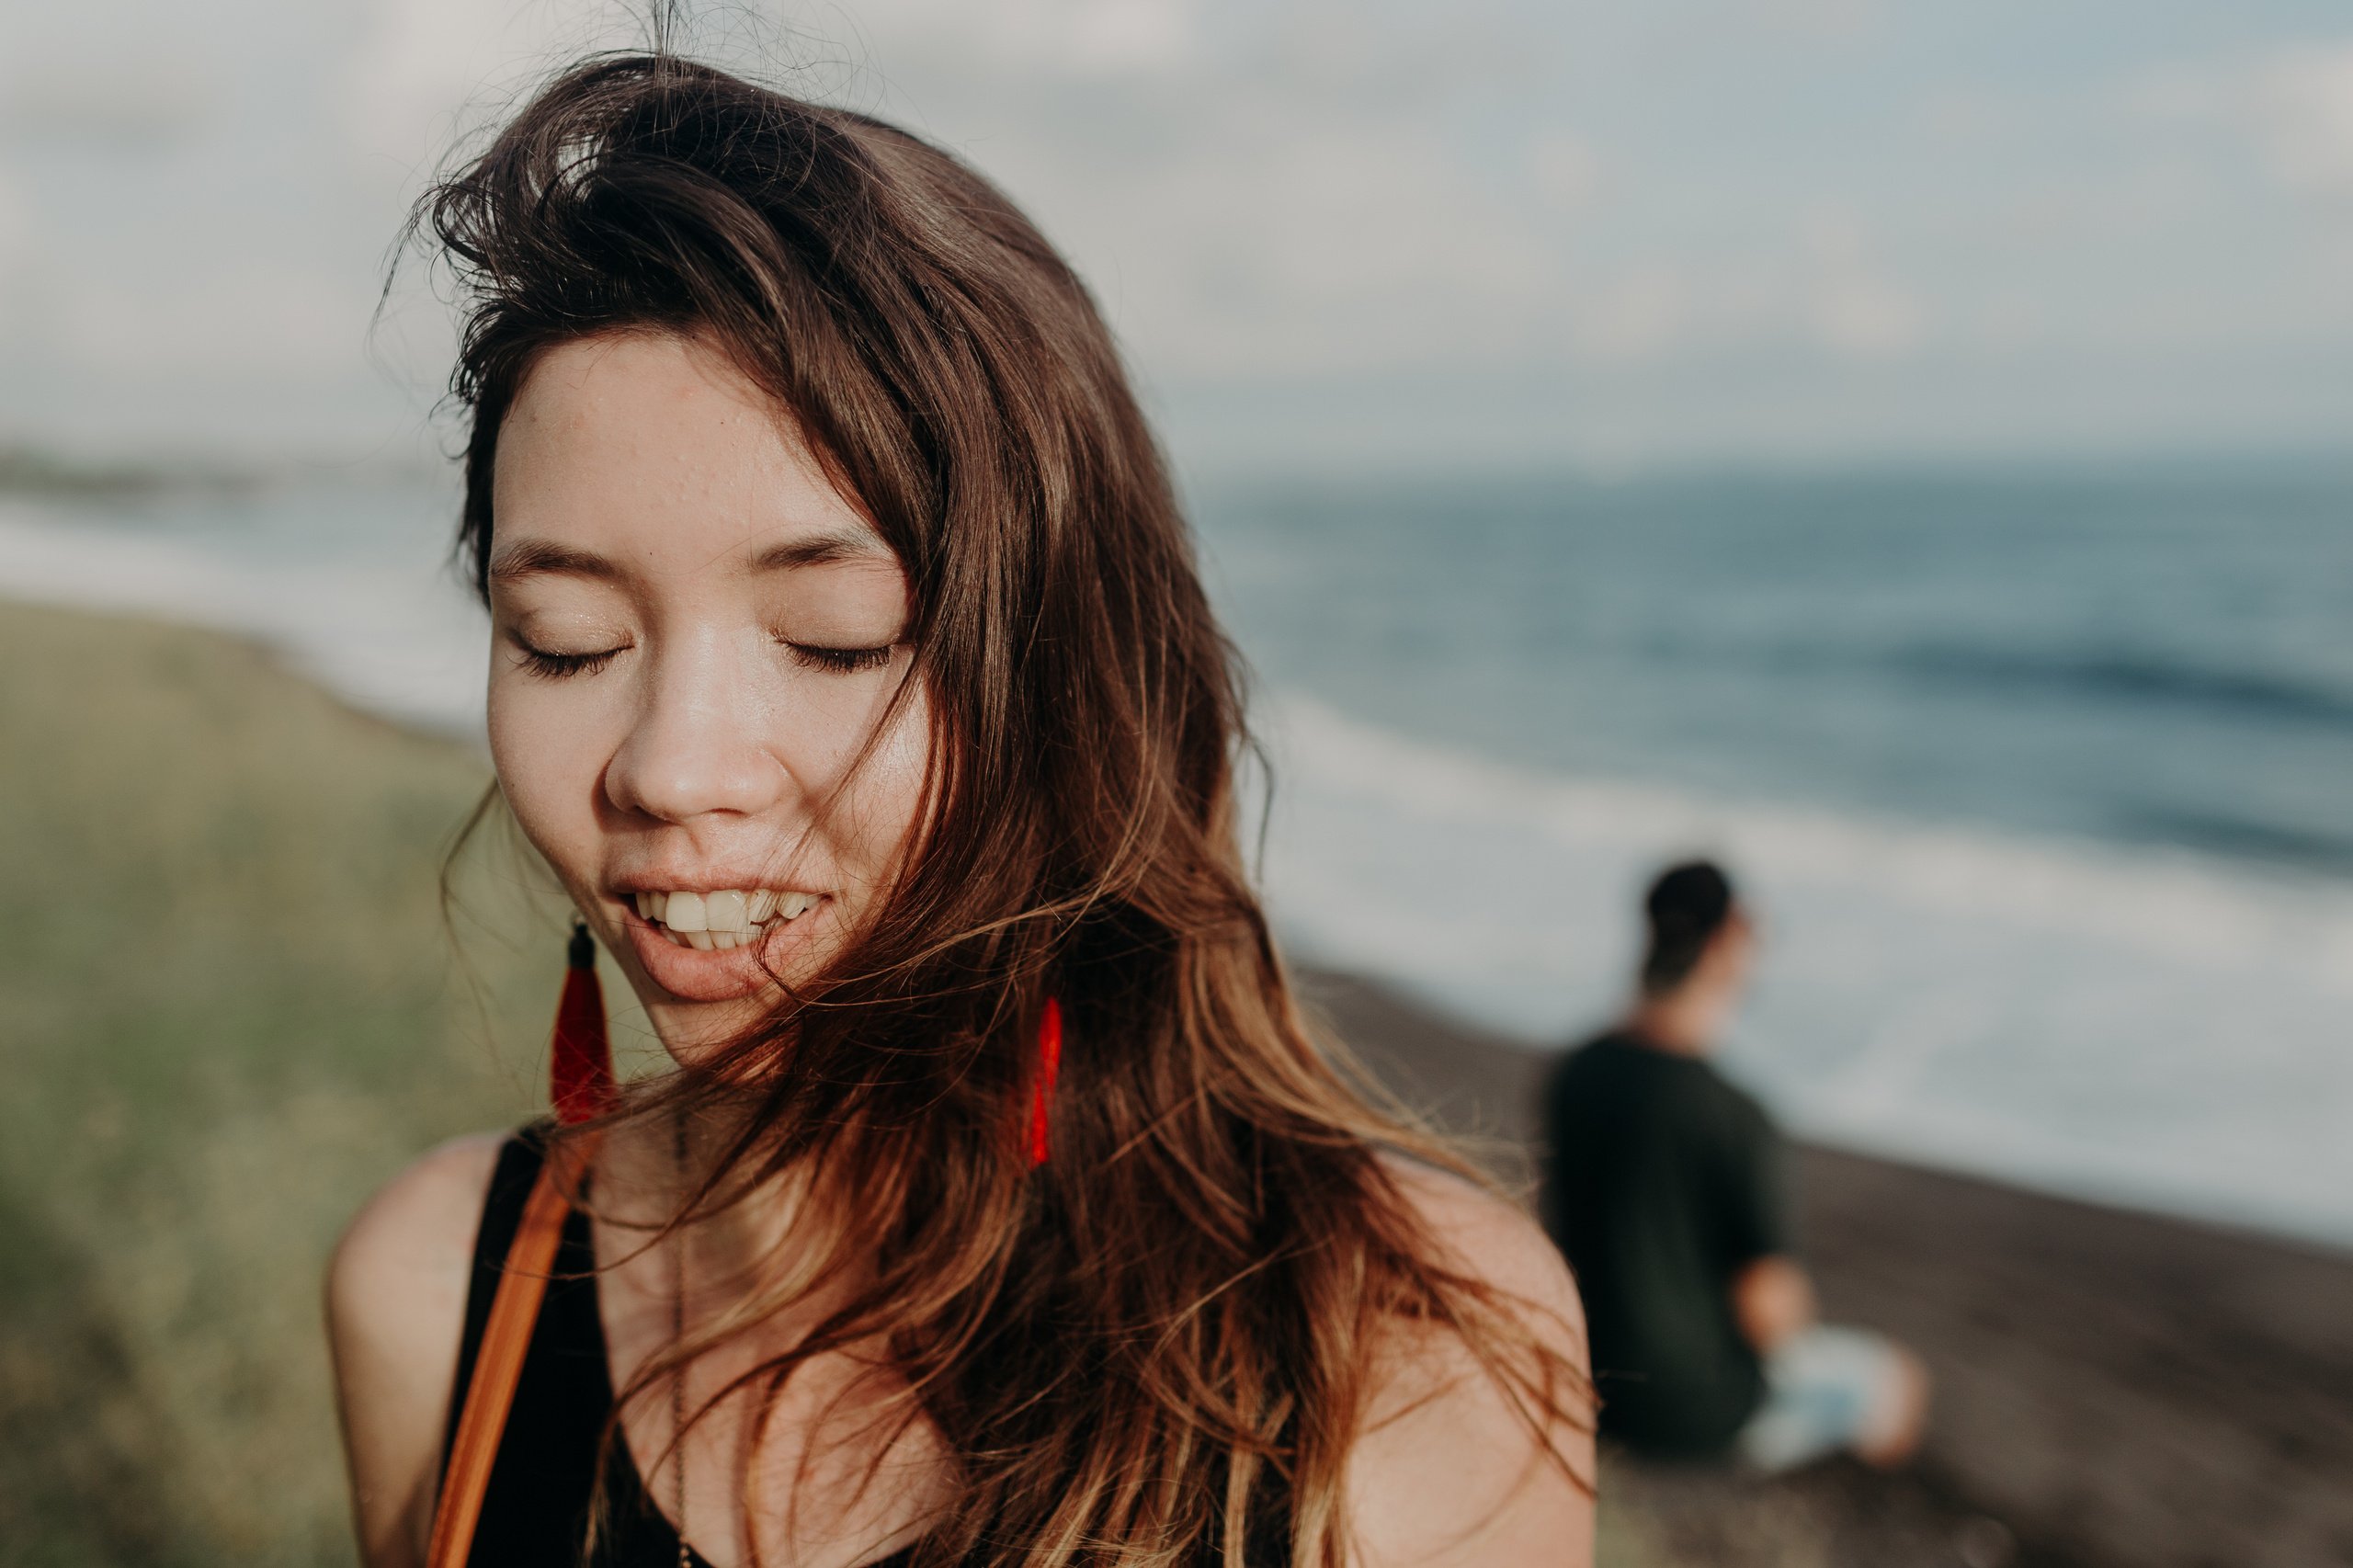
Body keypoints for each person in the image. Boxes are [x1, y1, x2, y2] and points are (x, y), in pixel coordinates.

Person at [324, 51, 1594, 1568]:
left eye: (835, 636)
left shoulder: (1394, 1344)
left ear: (1067, 675)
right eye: (570, 643)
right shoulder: (441, 1295)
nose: (666, 768)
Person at [1537, 860, 1927, 1472]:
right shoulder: (1734, 1114)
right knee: (1892, 1379)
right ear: (1724, 944)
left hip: (1588, 1379)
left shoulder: (1576, 1072)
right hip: (1695, 1410)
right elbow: (1770, 1314)